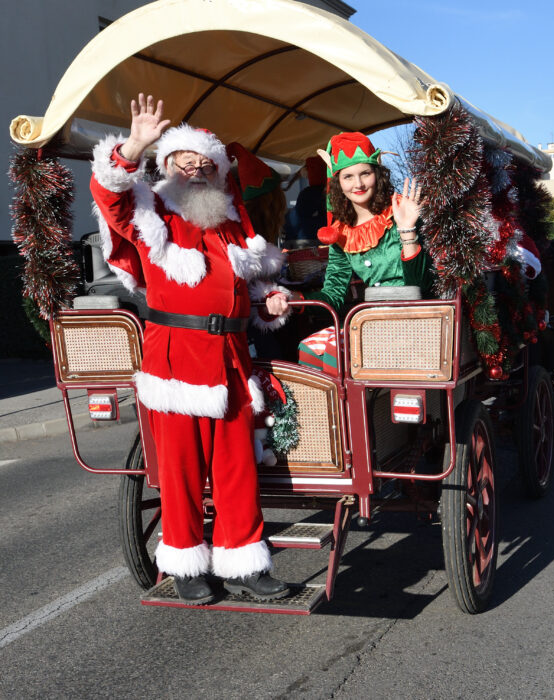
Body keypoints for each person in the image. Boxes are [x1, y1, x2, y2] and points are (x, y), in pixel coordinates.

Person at [90, 94, 291, 604]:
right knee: (179, 471)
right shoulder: (150, 209)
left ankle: (243, 561)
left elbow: (247, 285)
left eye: (207, 163)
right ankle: (184, 560)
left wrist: (269, 302)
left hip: (230, 357)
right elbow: (110, 198)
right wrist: (131, 145)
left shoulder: (229, 221)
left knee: (236, 466)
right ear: (168, 164)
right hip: (175, 358)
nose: (197, 169)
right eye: (186, 160)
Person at [266, 132, 433, 371]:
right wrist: (293, 299)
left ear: (377, 174)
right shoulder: (341, 233)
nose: (358, 184)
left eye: (365, 173)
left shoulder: (400, 212)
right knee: (312, 348)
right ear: (338, 182)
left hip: (416, 322)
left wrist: (407, 229)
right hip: (372, 322)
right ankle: (334, 409)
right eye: (348, 176)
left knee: (334, 353)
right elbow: (333, 295)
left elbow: (421, 284)